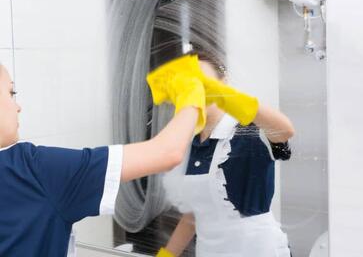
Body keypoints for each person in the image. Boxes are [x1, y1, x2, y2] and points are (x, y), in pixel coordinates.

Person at [0, 54, 251, 257]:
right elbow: (168, 155)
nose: (18, 105)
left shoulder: (244, 137)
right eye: (12, 93)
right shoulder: (35, 170)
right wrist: (191, 95)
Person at [156, 53, 295, 257]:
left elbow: (284, 130)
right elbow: (193, 216)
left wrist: (229, 97)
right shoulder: (188, 143)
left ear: (223, 84)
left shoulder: (249, 131)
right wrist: (167, 255)